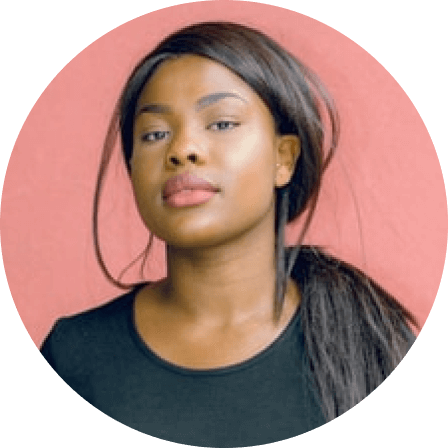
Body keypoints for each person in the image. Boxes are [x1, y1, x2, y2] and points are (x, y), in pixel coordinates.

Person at [40, 21, 419, 447]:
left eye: (221, 123)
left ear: (284, 158)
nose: (182, 149)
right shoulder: (74, 356)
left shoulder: (372, 342)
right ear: (132, 169)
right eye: (155, 133)